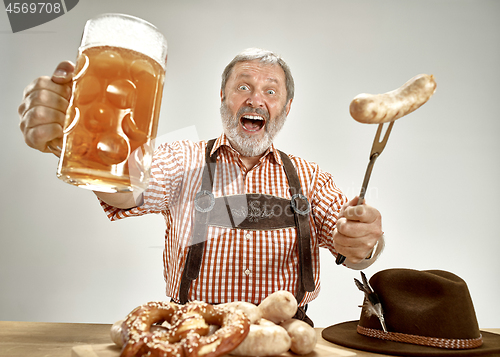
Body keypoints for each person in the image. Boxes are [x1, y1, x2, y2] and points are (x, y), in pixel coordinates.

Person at [18, 48, 383, 324]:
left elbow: (354, 247)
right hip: (193, 329)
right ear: (223, 96)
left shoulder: (310, 177)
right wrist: (84, 142)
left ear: (287, 107)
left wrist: (367, 241)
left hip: (286, 335)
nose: (255, 99)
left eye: (271, 92)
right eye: (243, 86)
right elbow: (126, 189)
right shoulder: (182, 159)